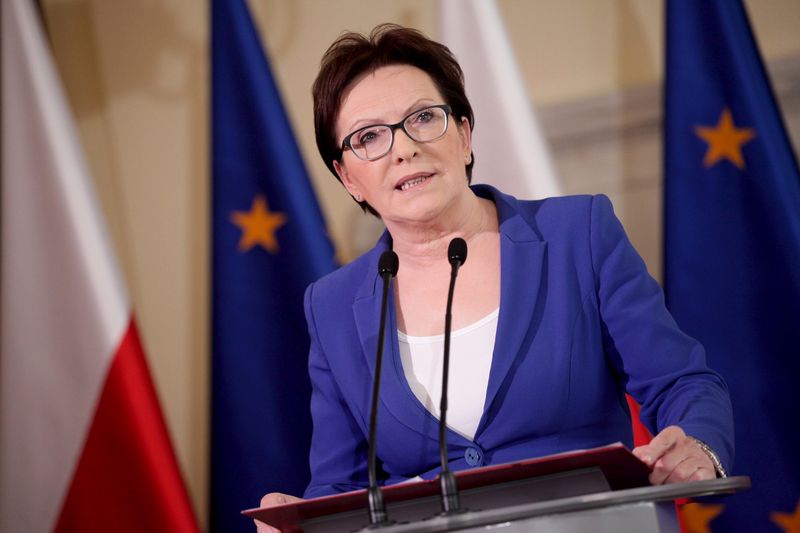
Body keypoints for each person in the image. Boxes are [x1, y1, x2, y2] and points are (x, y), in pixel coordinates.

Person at [256, 23, 733, 531]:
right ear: (349, 178)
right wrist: (304, 520)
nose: (402, 148)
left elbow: (681, 382)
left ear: (463, 135)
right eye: (368, 137)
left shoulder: (578, 235)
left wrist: (697, 443)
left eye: (422, 118)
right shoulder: (331, 306)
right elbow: (343, 486)